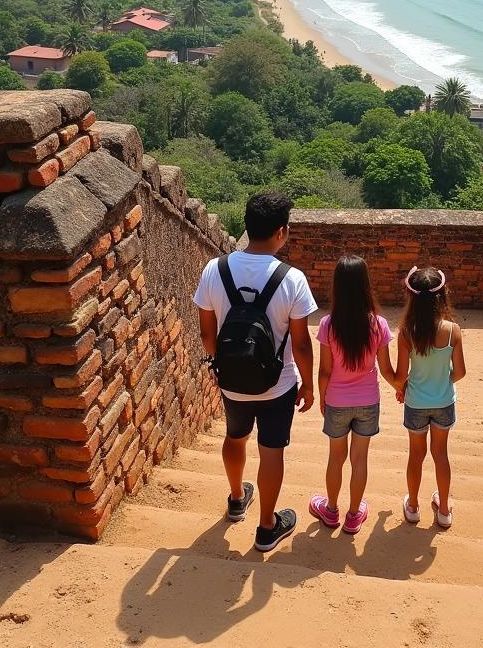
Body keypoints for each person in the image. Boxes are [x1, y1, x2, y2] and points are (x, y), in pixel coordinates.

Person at [196, 192, 316, 552]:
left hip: (232, 383)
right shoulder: (292, 279)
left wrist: (221, 365)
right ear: (281, 232)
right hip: (277, 386)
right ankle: (267, 527)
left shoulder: (214, 270)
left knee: (235, 437)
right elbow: (301, 344)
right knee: (271, 451)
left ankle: (236, 498)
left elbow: (206, 333)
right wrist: (308, 385)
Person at [309, 256, 397, 535]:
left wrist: (323, 397)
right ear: (365, 286)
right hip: (368, 401)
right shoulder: (379, 325)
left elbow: (324, 370)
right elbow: (386, 369)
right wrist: (401, 385)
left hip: (337, 399)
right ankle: (353, 514)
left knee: (336, 457)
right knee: (360, 459)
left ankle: (331, 510)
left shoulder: (328, 324)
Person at [395, 265, 466, 529]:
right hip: (444, 402)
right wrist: (443, 381)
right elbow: (460, 372)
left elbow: (401, 374)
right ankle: (444, 509)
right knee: (441, 454)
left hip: (416, 403)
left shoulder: (406, 333)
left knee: (416, 455)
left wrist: (403, 388)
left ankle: (413, 506)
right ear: (442, 296)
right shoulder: (452, 330)